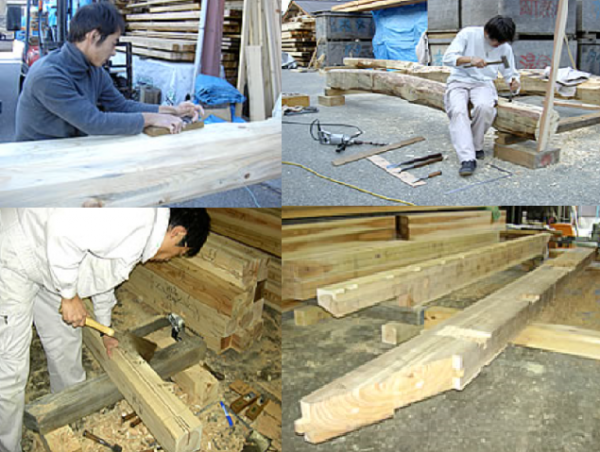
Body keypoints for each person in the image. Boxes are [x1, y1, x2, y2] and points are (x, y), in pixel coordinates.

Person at [0, 208, 210, 452]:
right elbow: (61, 229)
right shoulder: (133, 219)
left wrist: (104, 330)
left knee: (65, 340)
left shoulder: (143, 238)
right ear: (177, 233)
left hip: (52, 264)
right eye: (178, 253)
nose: (169, 259)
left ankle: (69, 406)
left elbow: (101, 275)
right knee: (11, 367)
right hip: (16, 253)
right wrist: (68, 295)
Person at [15, 2, 203, 142]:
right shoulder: (48, 75)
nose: (114, 52)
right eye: (113, 44)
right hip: (37, 158)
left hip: (72, 147)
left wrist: (174, 111)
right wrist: (153, 118)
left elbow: (121, 106)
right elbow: (93, 122)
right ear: (94, 36)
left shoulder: (93, 69)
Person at [443, 15, 521, 176]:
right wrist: (470, 59)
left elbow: (509, 70)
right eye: (495, 41)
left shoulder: (504, 48)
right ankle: (467, 159)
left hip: (483, 82)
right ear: (486, 32)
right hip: (459, 80)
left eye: (501, 42)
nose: (497, 45)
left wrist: (513, 82)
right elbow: (448, 58)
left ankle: (475, 145)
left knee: (485, 107)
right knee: (458, 111)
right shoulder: (468, 34)